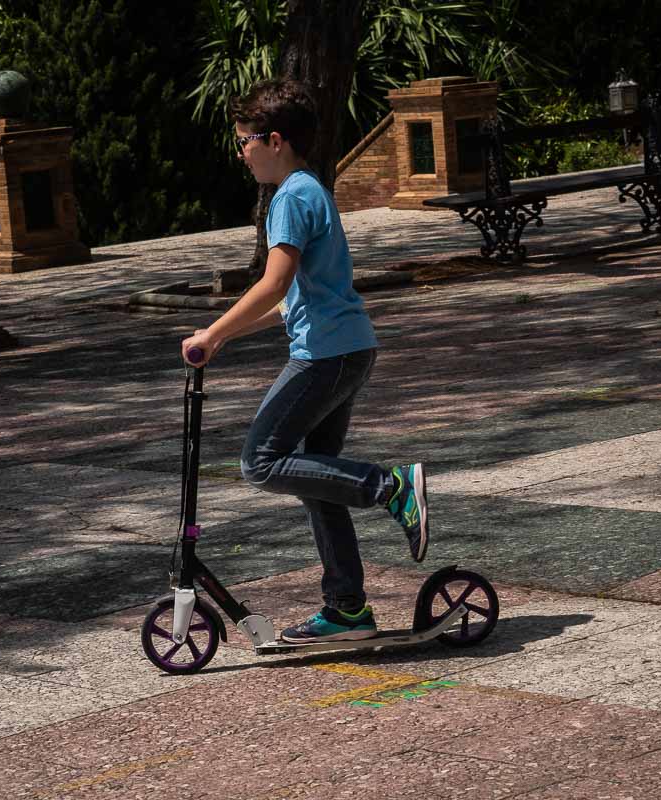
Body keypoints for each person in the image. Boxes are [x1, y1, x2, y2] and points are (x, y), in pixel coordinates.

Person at [180, 79, 428, 644]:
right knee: (318, 479)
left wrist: (214, 332)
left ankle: (389, 486)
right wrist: (219, 338)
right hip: (347, 348)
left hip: (326, 357)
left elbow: (274, 282)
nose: (240, 152)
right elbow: (292, 300)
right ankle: (347, 609)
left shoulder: (291, 196)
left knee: (261, 462)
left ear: (274, 140)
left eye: (244, 141)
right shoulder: (311, 189)